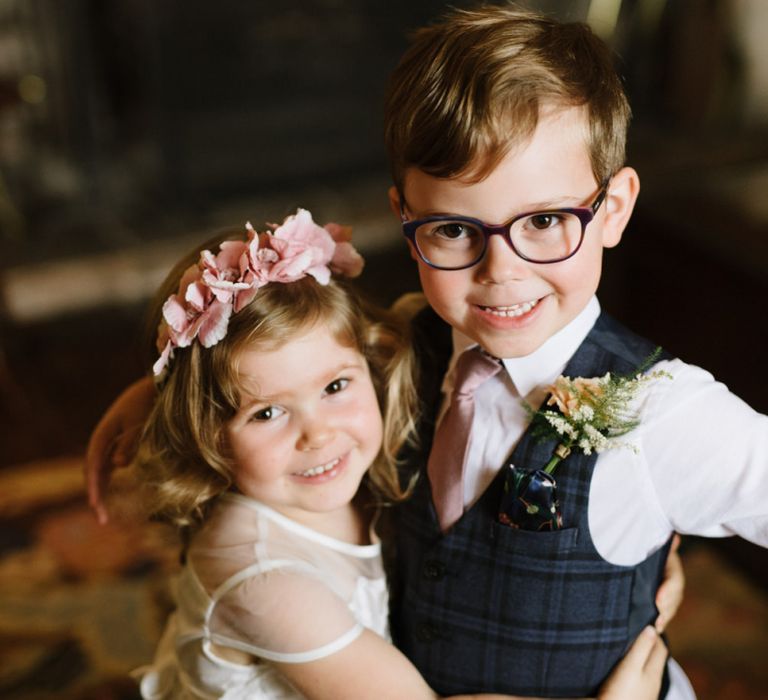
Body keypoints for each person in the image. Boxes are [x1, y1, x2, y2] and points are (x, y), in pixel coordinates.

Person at [376, 4, 768, 700]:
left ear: (612, 210)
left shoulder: (664, 414)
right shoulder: (405, 346)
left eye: (548, 220)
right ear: (406, 219)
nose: (501, 270)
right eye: (453, 231)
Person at [124, 209, 667, 699]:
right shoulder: (265, 581)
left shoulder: (342, 456)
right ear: (206, 433)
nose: (318, 434)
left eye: (335, 387)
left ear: (374, 362)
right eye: (266, 414)